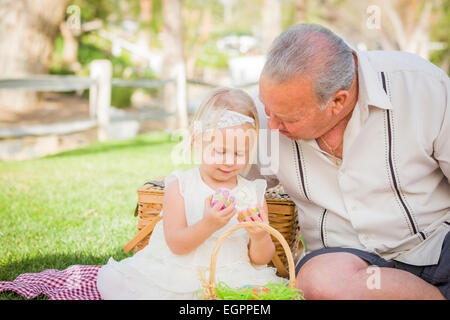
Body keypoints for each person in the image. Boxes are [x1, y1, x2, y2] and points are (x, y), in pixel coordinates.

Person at [251, 23, 450, 299]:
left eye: (288, 119)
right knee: (316, 281)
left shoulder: (420, 85)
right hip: (351, 268)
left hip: (439, 247)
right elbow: (215, 181)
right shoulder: (264, 116)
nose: (271, 125)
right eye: (266, 108)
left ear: (337, 101)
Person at [96, 87, 284, 299]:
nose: (229, 160)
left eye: (239, 153)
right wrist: (209, 224)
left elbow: (261, 260)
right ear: (196, 141)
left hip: (235, 277)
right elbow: (177, 244)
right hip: (180, 274)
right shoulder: (181, 187)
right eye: (220, 151)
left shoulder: (252, 193)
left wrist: (259, 236)